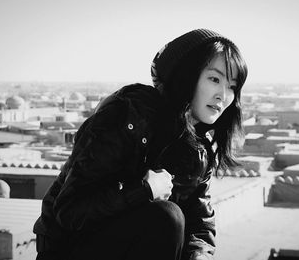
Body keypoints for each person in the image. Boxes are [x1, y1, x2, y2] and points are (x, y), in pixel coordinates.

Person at [33, 28, 248, 260]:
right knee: (167, 216)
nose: (223, 96)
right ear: (184, 77)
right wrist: (143, 190)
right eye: (215, 79)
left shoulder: (198, 150)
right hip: (69, 250)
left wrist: (200, 255)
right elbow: (70, 211)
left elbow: (200, 222)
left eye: (232, 87)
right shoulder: (127, 117)